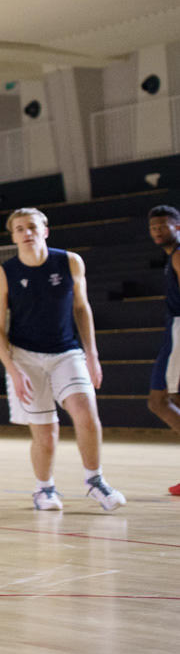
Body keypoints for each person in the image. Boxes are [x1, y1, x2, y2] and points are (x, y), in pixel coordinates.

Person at [0, 207, 124, 512]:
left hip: (66, 352)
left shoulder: (70, 262)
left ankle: (95, 481)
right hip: (25, 357)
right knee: (47, 434)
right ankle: (44, 489)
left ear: (45, 231)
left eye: (32, 227)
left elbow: (81, 308)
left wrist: (92, 355)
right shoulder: (3, 274)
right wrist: (12, 370)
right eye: (20, 229)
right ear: (13, 237)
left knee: (86, 414)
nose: (27, 233)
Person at [144, 204, 180, 494]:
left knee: (163, 401)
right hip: (173, 329)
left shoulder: (179, 254)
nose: (157, 230)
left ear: (177, 227)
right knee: (166, 401)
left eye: (162, 225)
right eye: (153, 226)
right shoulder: (171, 257)